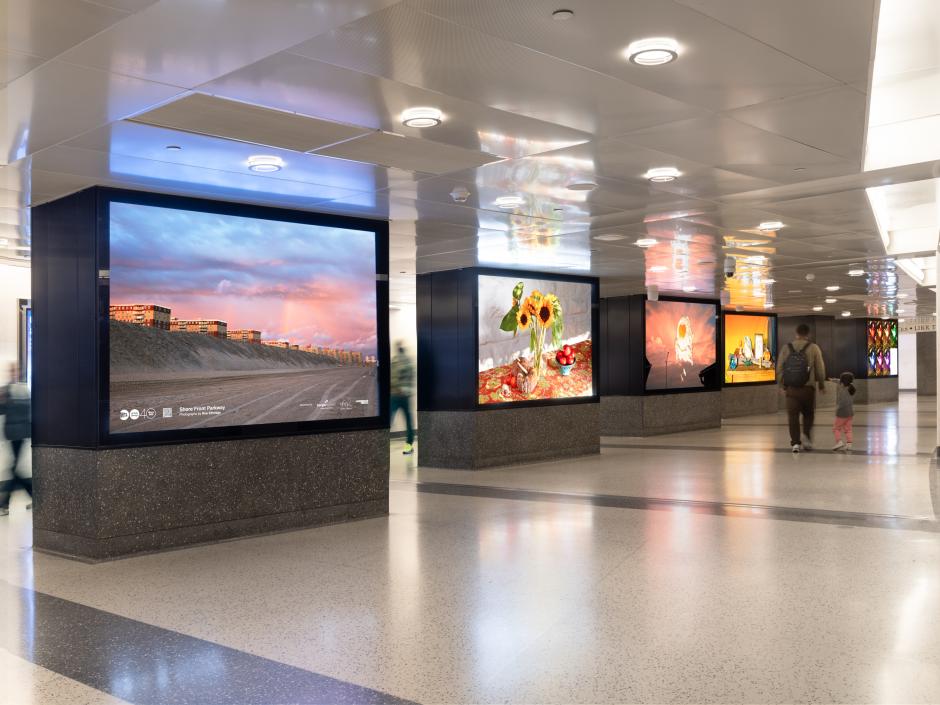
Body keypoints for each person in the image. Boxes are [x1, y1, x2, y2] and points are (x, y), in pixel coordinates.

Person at [777, 323, 827, 453]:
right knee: (808, 414)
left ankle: (795, 443)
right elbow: (820, 368)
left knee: (792, 416)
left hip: (791, 389)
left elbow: (779, 368)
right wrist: (821, 384)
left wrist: (782, 385)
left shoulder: (786, 348)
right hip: (807, 389)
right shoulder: (814, 348)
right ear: (807, 334)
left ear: (796, 333)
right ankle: (806, 437)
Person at [0, 363, 32, 516]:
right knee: (14, 468)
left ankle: (4, 504)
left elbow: (21, 411)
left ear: (19, 373)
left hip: (18, 433)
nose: (12, 373)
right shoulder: (11, 389)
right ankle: (33, 496)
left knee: (13, 469)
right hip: (15, 434)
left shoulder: (19, 389)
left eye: (14, 371)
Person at [390, 342, 415, 455]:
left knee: (389, 419)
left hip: (395, 395)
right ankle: (408, 446)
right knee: (409, 421)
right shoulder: (409, 362)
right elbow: (411, 379)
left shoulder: (395, 360)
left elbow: (392, 378)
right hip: (406, 396)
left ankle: (380, 443)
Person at [832, 372, 856, 452]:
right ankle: (849, 444)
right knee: (848, 429)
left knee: (836, 428)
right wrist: (833, 380)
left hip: (842, 413)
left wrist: (837, 408)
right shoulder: (851, 387)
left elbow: (843, 402)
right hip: (850, 413)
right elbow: (839, 381)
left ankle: (839, 442)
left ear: (843, 381)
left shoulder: (843, 390)